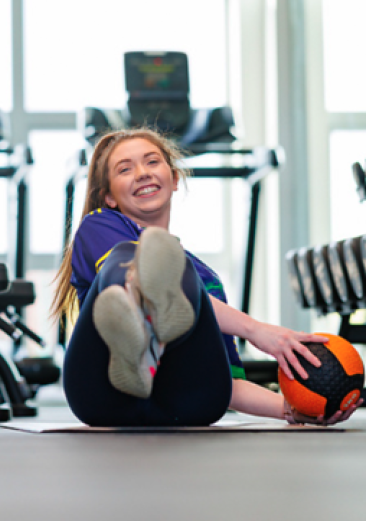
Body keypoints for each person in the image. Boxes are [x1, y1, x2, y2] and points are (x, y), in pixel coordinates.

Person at [51, 126, 360, 427]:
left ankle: (147, 339)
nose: (142, 172)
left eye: (152, 161)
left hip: (187, 402)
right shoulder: (98, 226)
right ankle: (141, 334)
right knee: (139, 259)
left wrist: (293, 410)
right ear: (109, 198)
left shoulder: (203, 278)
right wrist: (257, 331)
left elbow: (230, 385)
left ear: (174, 179)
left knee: (182, 272)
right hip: (103, 395)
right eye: (125, 169)